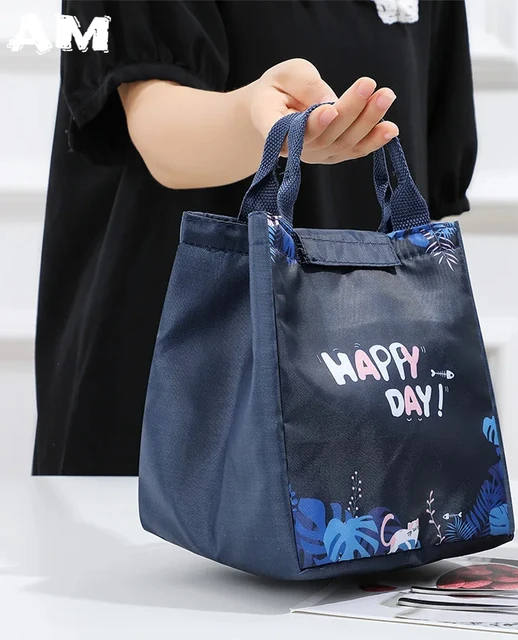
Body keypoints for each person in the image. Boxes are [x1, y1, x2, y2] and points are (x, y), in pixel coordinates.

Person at [32, 0, 477, 476]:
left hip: (368, 386)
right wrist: (256, 117)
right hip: (174, 372)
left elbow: (426, 180)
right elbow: (154, 120)